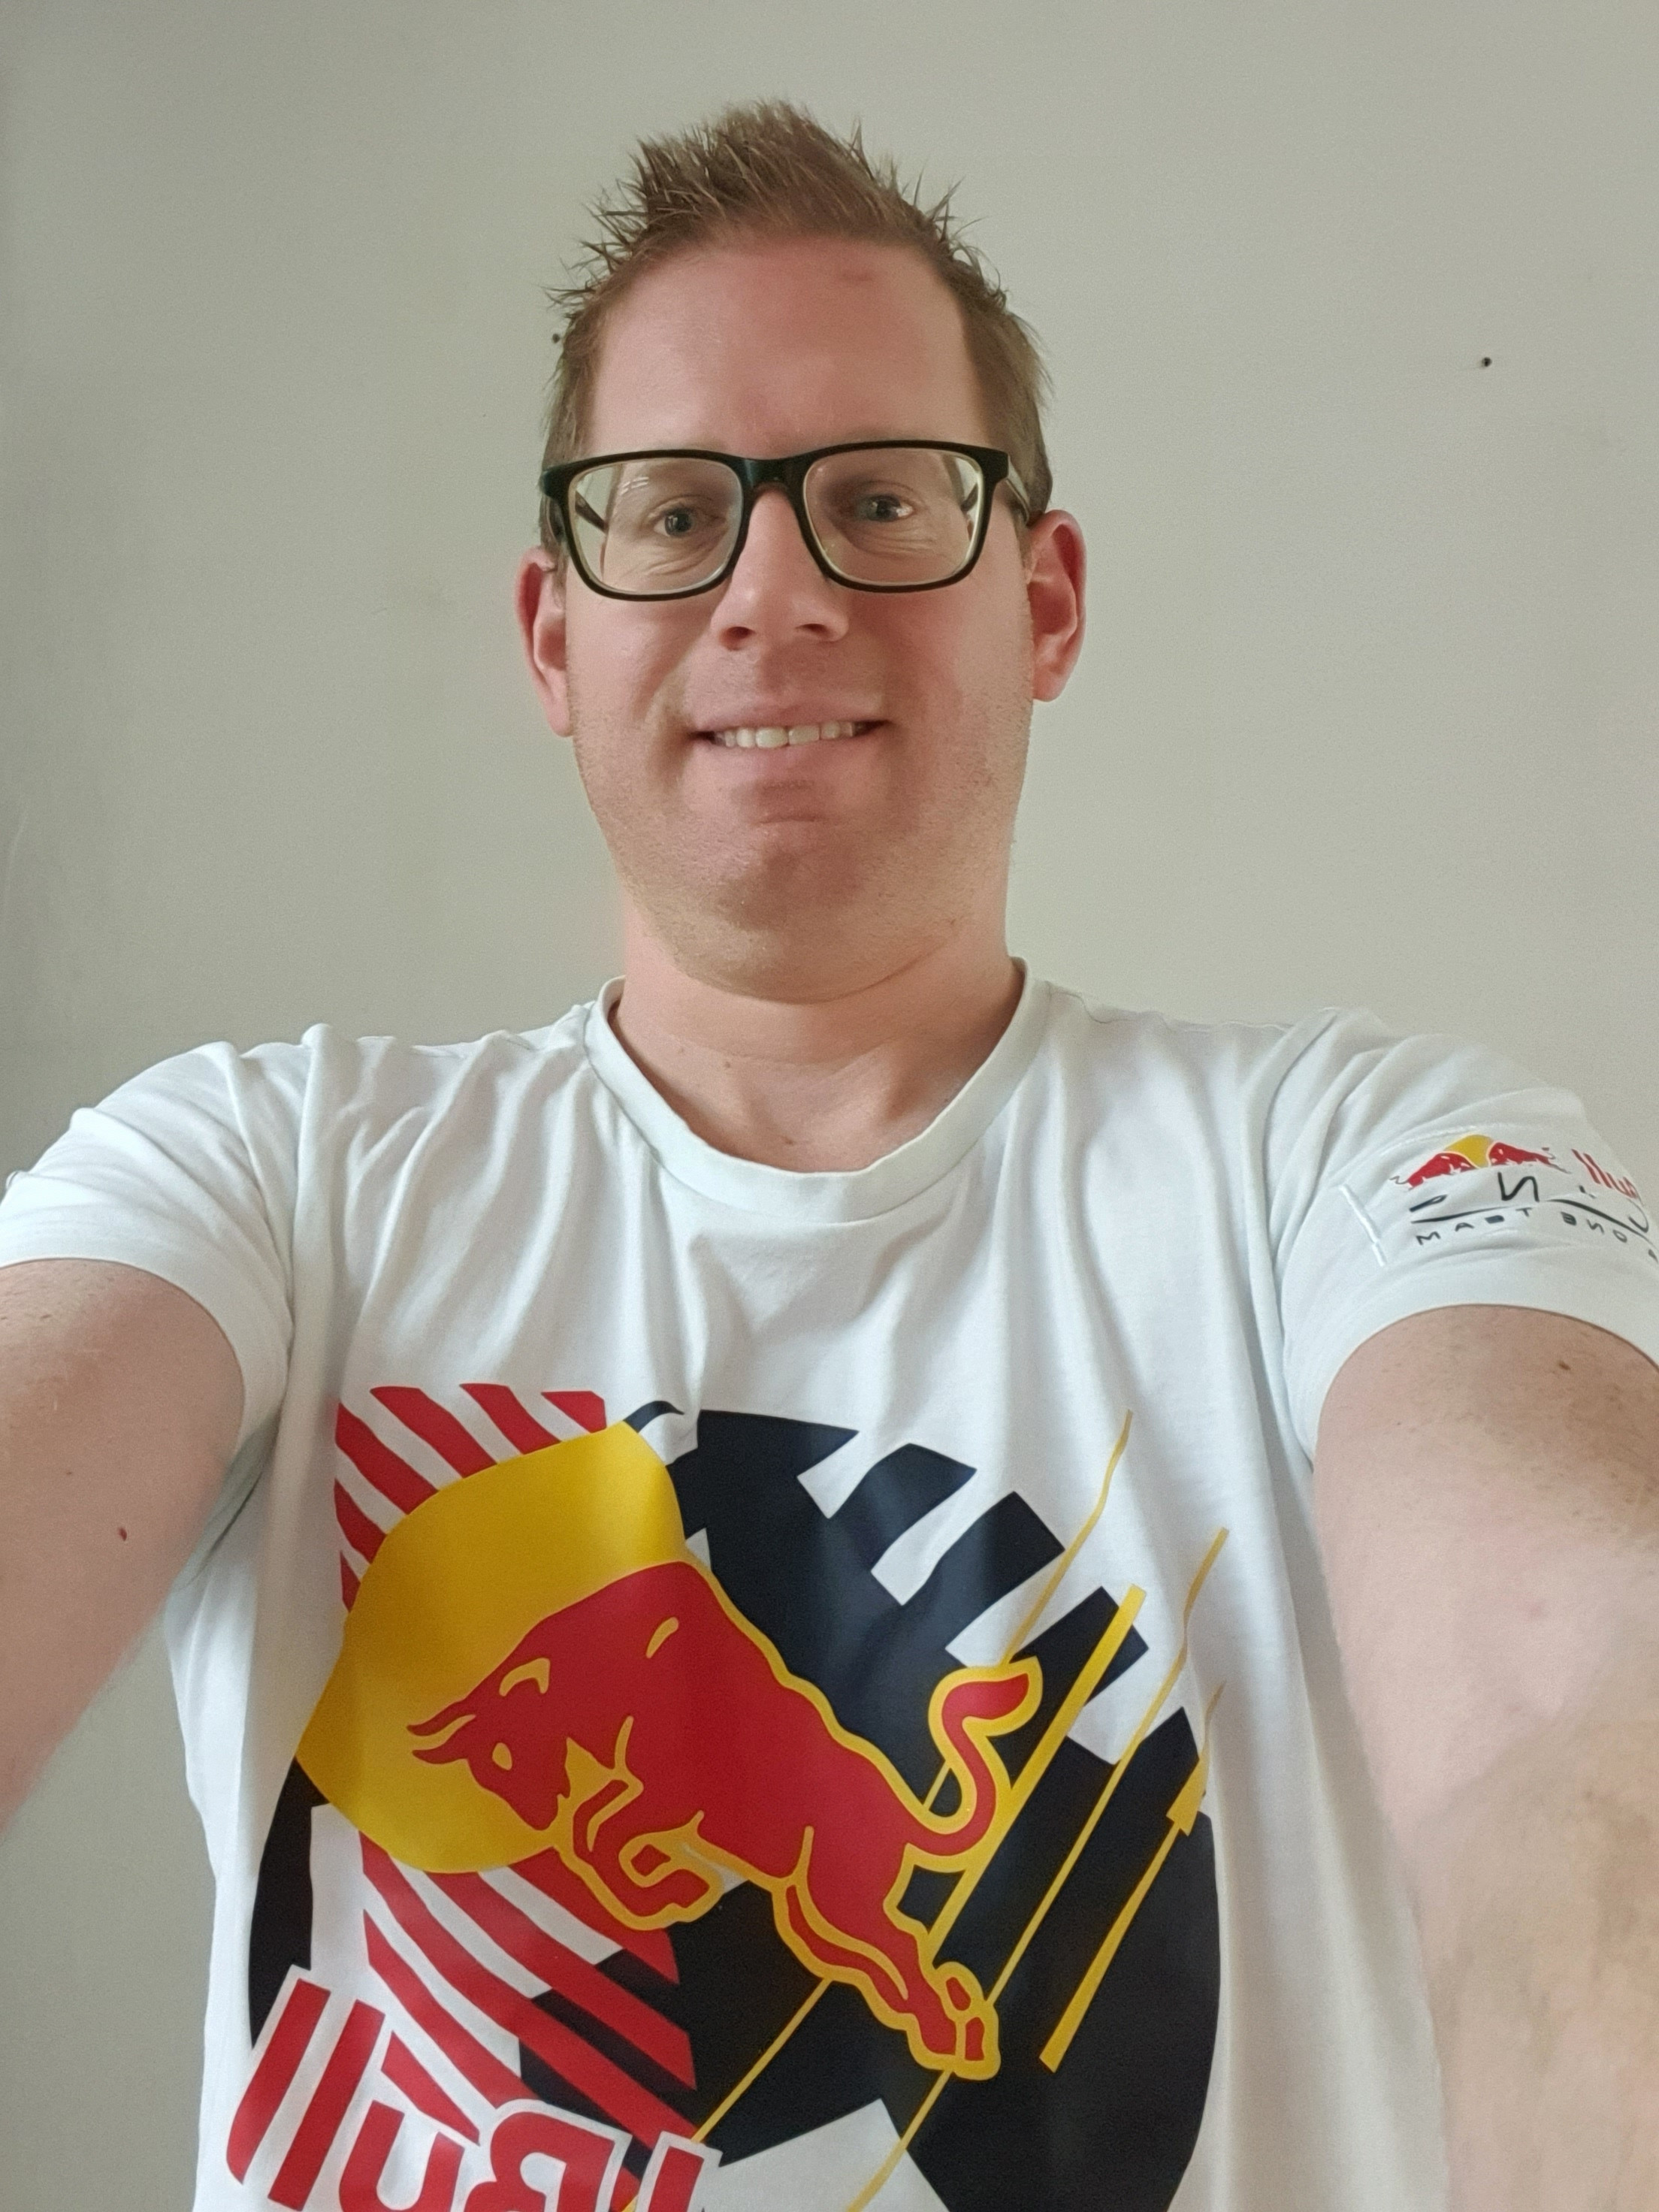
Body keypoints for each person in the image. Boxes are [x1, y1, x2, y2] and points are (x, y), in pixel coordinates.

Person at [1, 101, 1654, 2212]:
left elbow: (1572, 1716)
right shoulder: (263, 1175)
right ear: (554, 635)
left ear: (1043, 602)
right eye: (676, 513)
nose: (772, 594)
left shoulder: (1364, 1161)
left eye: (880, 499)